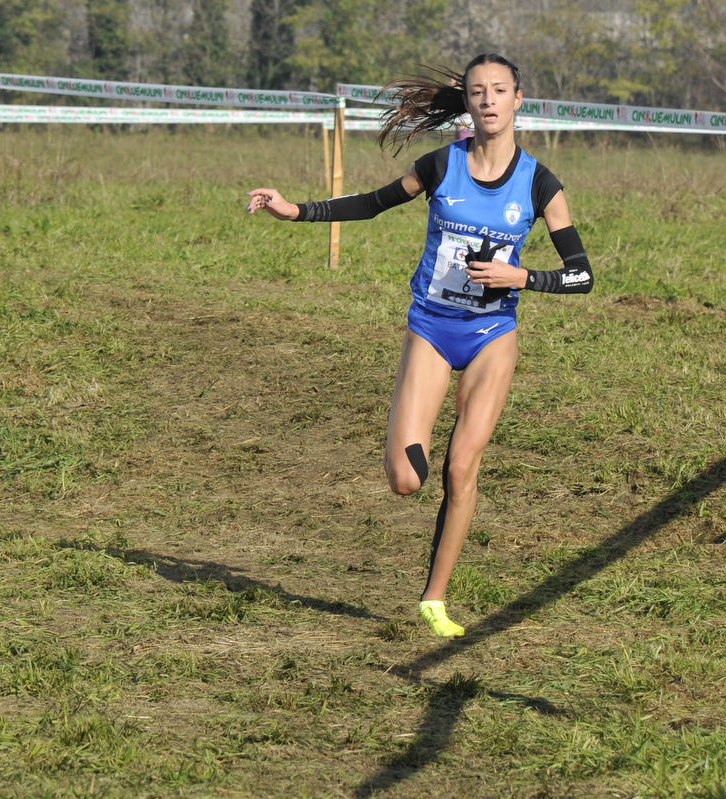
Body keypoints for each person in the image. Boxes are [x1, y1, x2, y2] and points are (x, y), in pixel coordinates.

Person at [247, 53, 593, 637]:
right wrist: (294, 210)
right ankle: (409, 439)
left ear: (517, 100)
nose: (488, 100)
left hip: (492, 337)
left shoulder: (540, 183)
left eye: (499, 90)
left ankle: (435, 598)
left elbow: (583, 275)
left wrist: (524, 278)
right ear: (469, 101)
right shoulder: (440, 165)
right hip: (432, 328)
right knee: (407, 481)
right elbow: (372, 203)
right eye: (478, 91)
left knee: (462, 467)